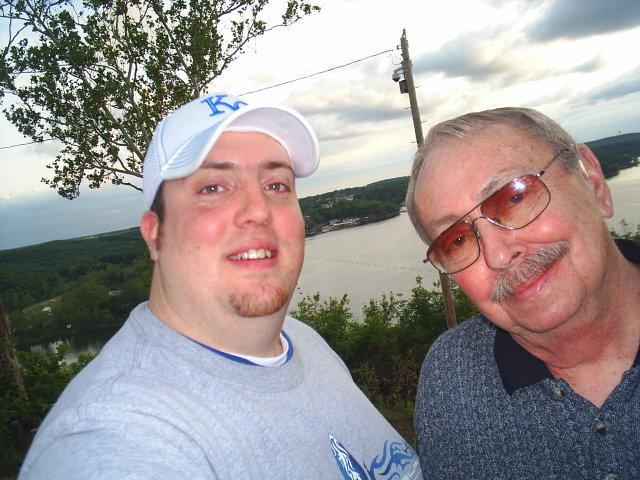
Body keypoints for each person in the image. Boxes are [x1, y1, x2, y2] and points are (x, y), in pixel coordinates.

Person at [20, 92, 423, 480]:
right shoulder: (115, 436)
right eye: (213, 188)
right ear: (154, 234)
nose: (258, 210)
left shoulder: (303, 343)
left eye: (276, 185)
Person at [405, 107, 640, 479]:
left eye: (514, 198)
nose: (498, 255)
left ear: (593, 182)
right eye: (457, 240)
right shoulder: (452, 382)